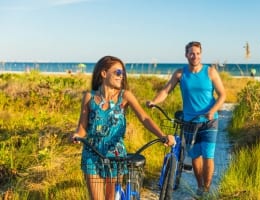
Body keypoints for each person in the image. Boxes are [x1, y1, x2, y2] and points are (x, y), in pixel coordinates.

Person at [71, 55, 175, 200]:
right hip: (92, 153)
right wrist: (76, 135)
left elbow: (144, 118)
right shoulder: (89, 97)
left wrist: (162, 135)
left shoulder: (125, 96)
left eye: (123, 73)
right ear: (104, 73)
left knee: (111, 198)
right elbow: (82, 128)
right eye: (118, 72)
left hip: (116, 155)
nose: (122, 76)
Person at [146, 41, 226, 196]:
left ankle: (207, 189)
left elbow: (222, 95)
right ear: (186, 55)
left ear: (201, 54)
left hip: (210, 120)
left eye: (197, 53)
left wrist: (213, 110)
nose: (194, 56)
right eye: (191, 53)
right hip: (189, 122)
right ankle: (200, 185)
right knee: (195, 155)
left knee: (208, 154)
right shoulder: (180, 73)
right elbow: (166, 91)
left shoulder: (210, 72)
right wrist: (154, 101)